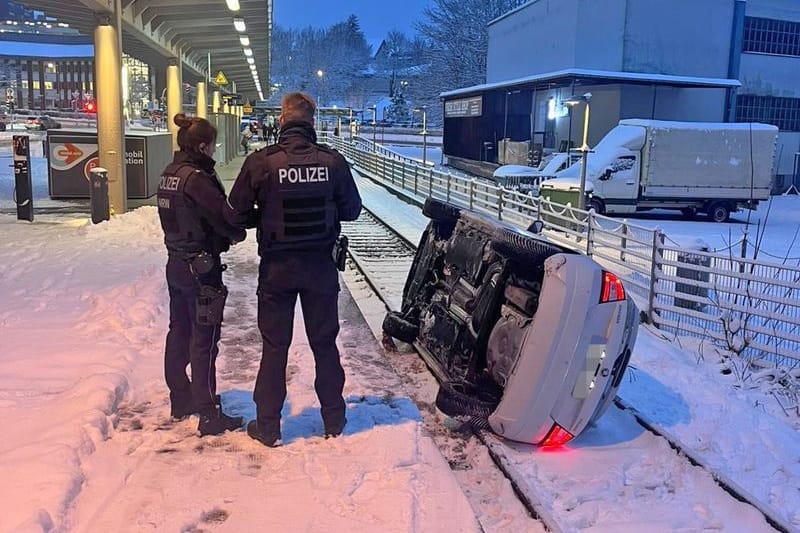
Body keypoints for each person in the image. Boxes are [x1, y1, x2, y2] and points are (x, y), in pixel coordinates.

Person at [224, 92, 362, 447]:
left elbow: (235, 213)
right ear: (312, 122)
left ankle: (268, 427)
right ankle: (334, 419)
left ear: (282, 120)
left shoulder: (261, 162)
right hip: (320, 269)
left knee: (275, 347)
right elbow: (351, 211)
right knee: (324, 345)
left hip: (277, 270)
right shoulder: (333, 162)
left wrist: (265, 216)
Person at [157, 113, 246, 436]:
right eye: (212, 145)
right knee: (204, 340)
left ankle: (181, 399)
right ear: (203, 145)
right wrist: (237, 232)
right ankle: (209, 413)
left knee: (178, 332)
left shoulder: (171, 173)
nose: (213, 151)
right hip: (201, 269)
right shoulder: (197, 179)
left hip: (176, 264)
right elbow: (226, 220)